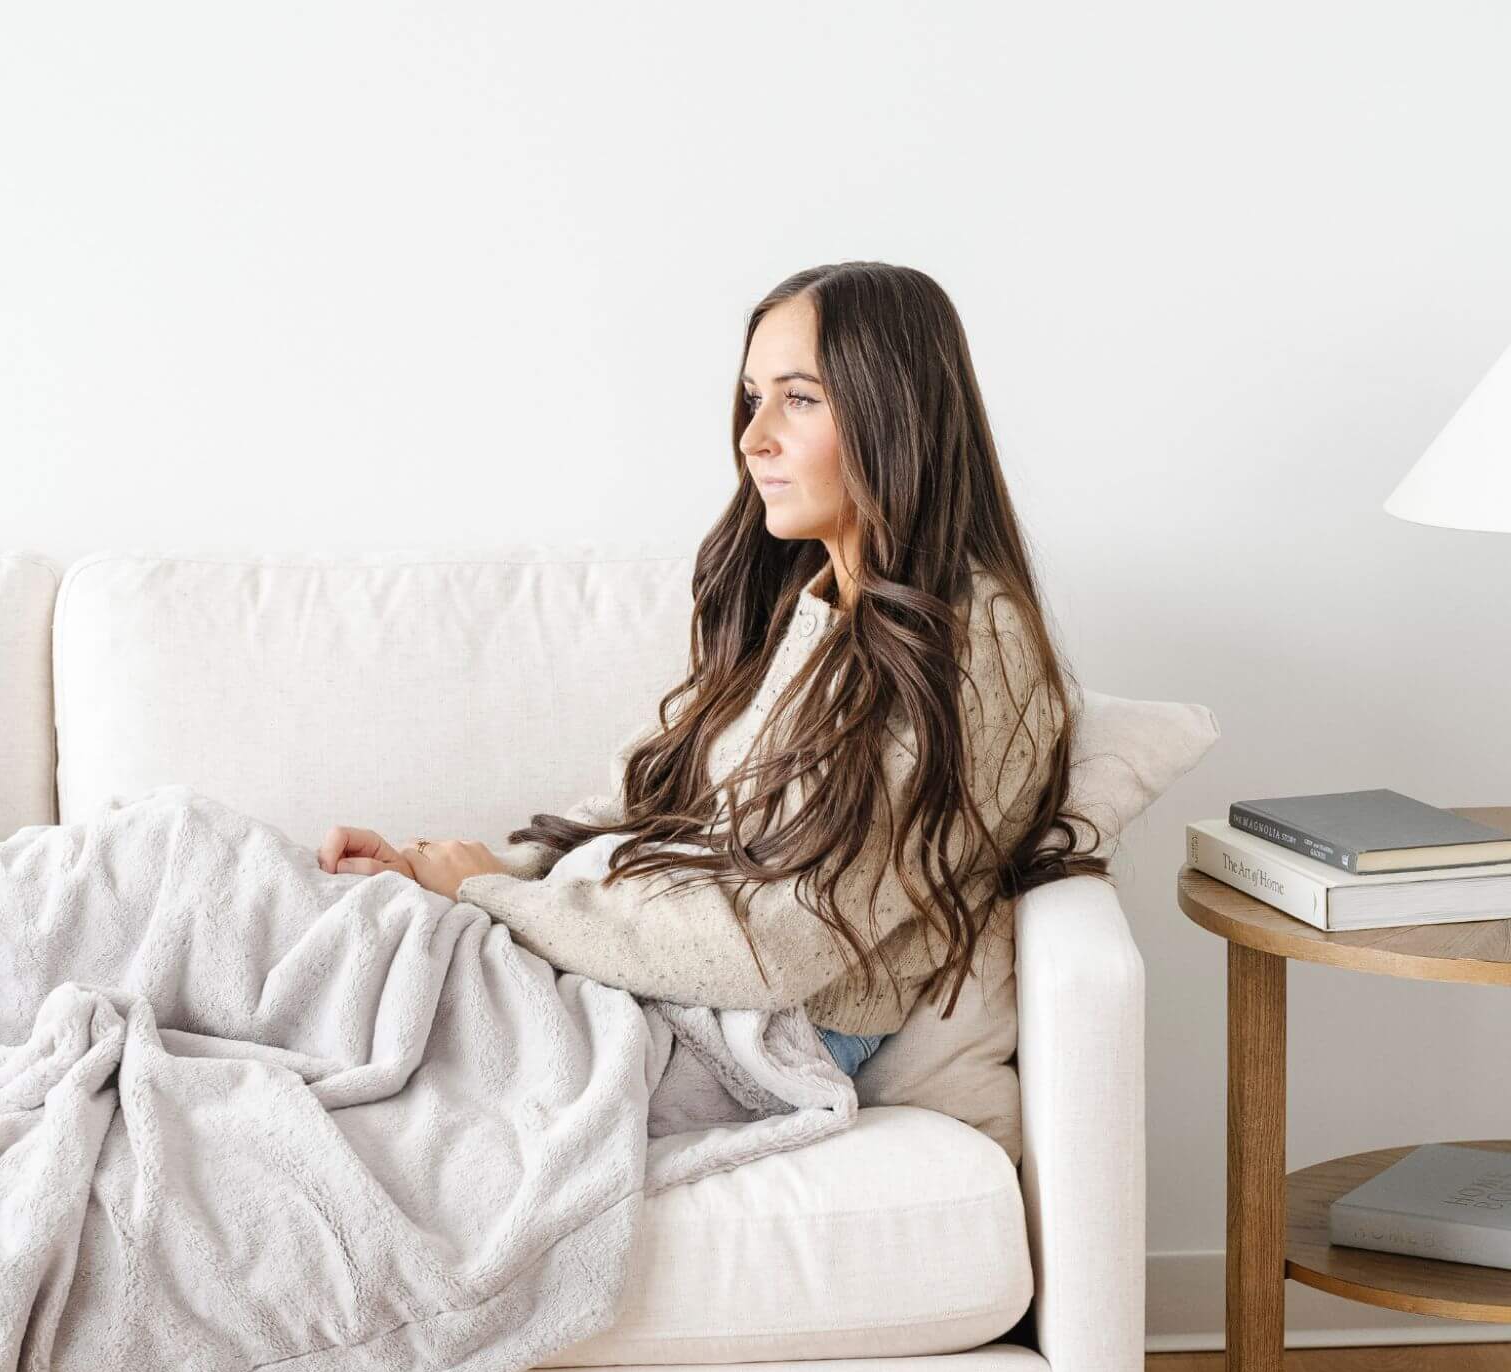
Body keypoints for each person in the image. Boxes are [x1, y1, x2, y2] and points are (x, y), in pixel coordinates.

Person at [317, 262, 1109, 1081]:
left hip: (745, 1039)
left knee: (250, 914)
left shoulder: (974, 644)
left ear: (894, 413)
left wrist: (494, 898)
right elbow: (653, 802)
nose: (752, 435)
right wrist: (450, 873)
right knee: (250, 882)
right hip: (642, 981)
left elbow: (785, 942)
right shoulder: (805, 603)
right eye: (752, 395)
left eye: (799, 398)